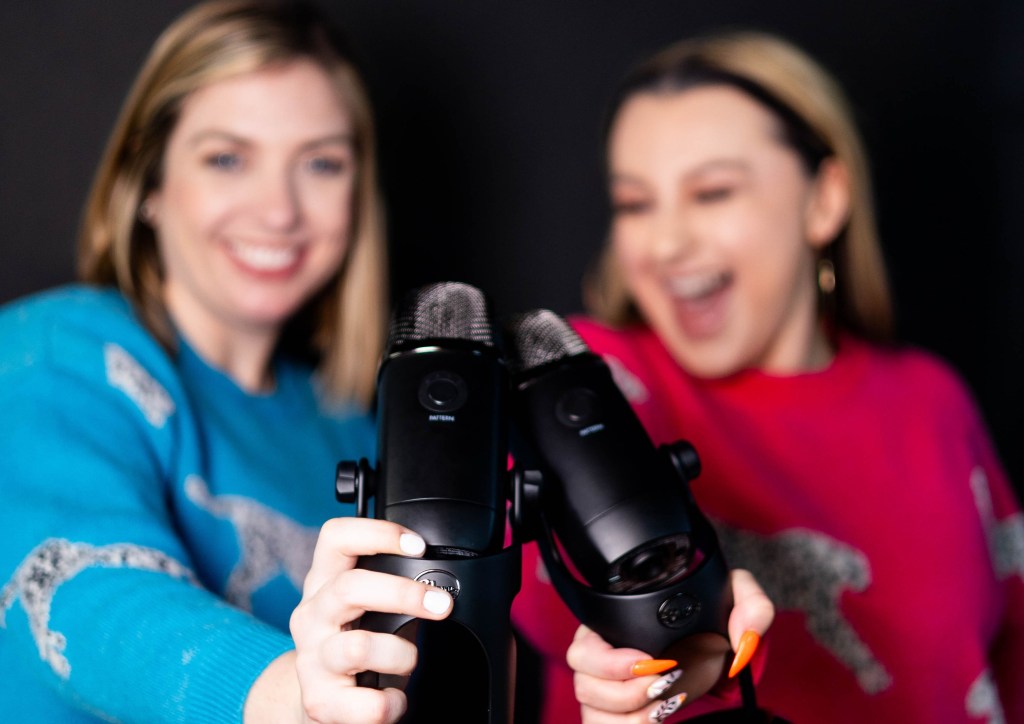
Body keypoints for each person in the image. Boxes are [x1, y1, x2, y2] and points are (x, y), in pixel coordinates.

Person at [0, 2, 774, 722]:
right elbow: (78, 589)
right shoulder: (54, 353)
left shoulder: (367, 424)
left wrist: (643, 661)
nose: (278, 209)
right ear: (148, 183)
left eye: (322, 164)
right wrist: (292, 697)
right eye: (227, 158)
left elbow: (483, 676)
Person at [511, 29, 1024, 723]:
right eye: (635, 203)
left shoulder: (932, 399)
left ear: (824, 200)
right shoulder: (587, 386)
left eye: (713, 192)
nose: (666, 243)